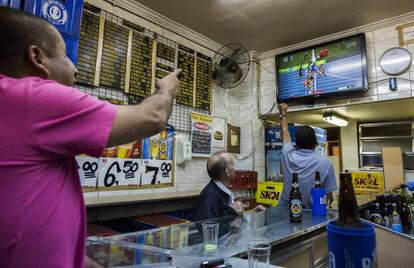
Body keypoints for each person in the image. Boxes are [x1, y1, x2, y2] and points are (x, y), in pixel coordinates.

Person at [0, 7, 180, 268]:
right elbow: (152, 117)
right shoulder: (32, 98)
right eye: (65, 56)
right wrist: (166, 91)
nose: (75, 70)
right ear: (37, 57)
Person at [277, 103, 337, 209]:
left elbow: (285, 133)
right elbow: (329, 198)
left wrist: (283, 114)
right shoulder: (325, 162)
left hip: (286, 213)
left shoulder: (288, 155)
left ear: (296, 144)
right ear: (315, 143)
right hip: (313, 215)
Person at [193, 151, 265, 221]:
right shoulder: (210, 197)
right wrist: (232, 210)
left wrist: (252, 213)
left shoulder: (222, 190)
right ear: (227, 171)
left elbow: (230, 219)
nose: (235, 168)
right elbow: (208, 226)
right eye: (233, 164)